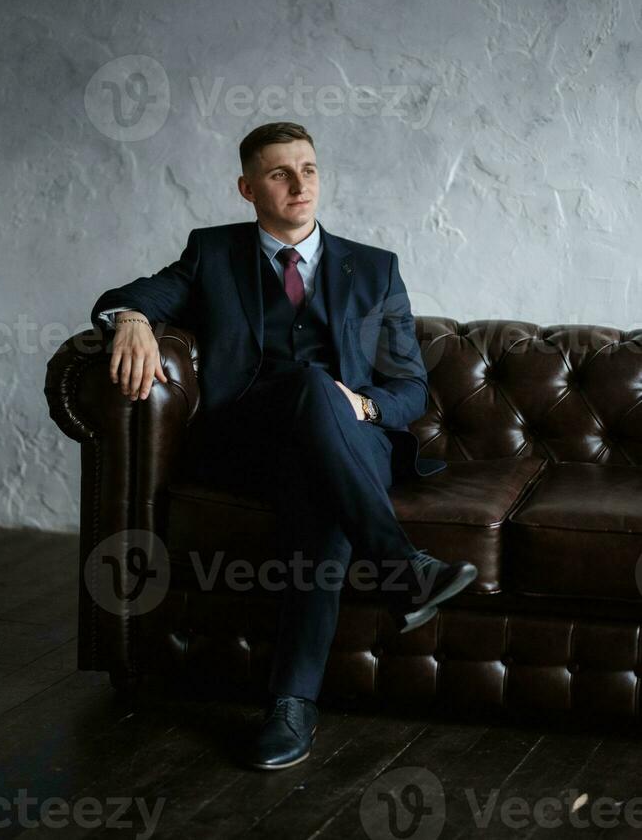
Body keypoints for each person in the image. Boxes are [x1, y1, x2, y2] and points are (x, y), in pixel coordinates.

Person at [91, 121, 477, 771]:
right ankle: (400, 570)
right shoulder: (212, 254)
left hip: (351, 440)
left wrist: (365, 404)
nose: (300, 184)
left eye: (310, 169)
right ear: (248, 188)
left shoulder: (375, 270)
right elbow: (132, 297)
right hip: (249, 440)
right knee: (306, 388)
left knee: (317, 471)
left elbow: (409, 386)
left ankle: (291, 705)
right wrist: (130, 321)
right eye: (279, 173)